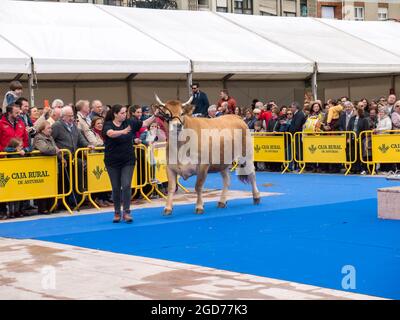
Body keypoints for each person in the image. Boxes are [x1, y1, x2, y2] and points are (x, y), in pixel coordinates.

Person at [102, 104, 158, 223]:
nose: (124, 115)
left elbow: (144, 123)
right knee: (116, 187)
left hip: (128, 159)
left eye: (125, 112)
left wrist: (155, 115)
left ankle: (126, 212)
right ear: (115, 114)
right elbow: (110, 133)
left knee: (126, 185)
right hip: (112, 161)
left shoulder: (130, 122)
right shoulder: (108, 124)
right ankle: (117, 212)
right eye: (122, 113)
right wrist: (123, 131)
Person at [33, 120, 63, 214]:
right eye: (48, 128)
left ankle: (52, 206)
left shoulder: (50, 137)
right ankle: (42, 208)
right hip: (42, 166)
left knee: (52, 186)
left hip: (52, 166)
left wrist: (61, 158)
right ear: (42, 130)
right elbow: (45, 149)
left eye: (51, 128)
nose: (51, 130)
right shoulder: (38, 138)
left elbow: (55, 150)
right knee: (43, 188)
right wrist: (56, 150)